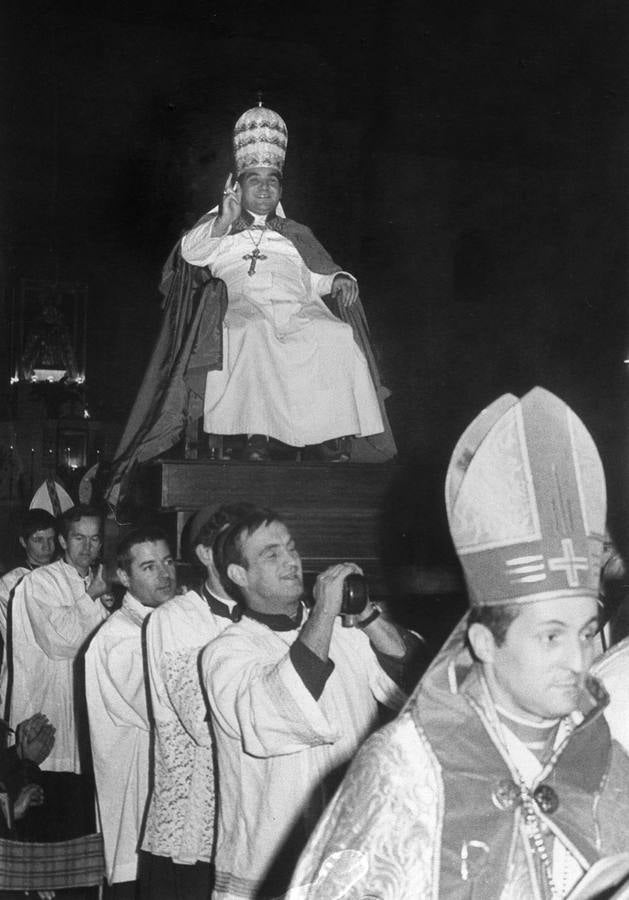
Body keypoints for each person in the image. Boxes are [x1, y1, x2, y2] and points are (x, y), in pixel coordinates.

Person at [287, 388, 629, 900]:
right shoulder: (405, 768)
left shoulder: (603, 757)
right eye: (551, 636)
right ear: (485, 642)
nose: (579, 660)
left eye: (585, 634)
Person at [200, 507, 425, 899]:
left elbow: (415, 678)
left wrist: (366, 614)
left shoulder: (343, 630)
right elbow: (275, 713)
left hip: (350, 849)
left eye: (291, 548)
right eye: (272, 555)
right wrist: (323, 610)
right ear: (239, 574)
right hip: (269, 860)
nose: (291, 561)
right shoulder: (226, 651)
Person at [180, 103, 385, 461]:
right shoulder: (221, 227)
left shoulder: (294, 233)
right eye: (254, 180)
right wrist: (222, 221)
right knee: (255, 331)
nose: (263, 188)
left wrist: (338, 278)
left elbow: (316, 274)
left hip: (297, 305)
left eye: (271, 181)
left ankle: (328, 434)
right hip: (243, 304)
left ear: (280, 188)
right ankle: (255, 435)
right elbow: (190, 254)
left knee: (333, 335)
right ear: (237, 186)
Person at [139, 503, 254, 900]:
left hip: (250, 825)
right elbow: (205, 722)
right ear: (206, 555)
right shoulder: (174, 619)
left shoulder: (262, 614)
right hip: (193, 825)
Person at [6, 504, 110, 844]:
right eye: (79, 538)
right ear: (63, 541)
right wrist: (91, 597)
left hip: (85, 732)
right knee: (45, 842)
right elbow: (60, 642)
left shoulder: (99, 584)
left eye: (95, 539)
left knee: (79, 839)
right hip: (47, 733)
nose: (87, 547)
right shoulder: (39, 582)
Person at [84, 526, 177, 899]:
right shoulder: (118, 638)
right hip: (137, 805)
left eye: (168, 562)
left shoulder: (164, 623)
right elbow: (166, 707)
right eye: (149, 567)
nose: (165, 574)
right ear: (123, 577)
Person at [0, 508, 57, 644]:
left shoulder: (63, 574)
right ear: (24, 542)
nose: (47, 547)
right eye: (38, 540)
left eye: (50, 539)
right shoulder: (10, 583)